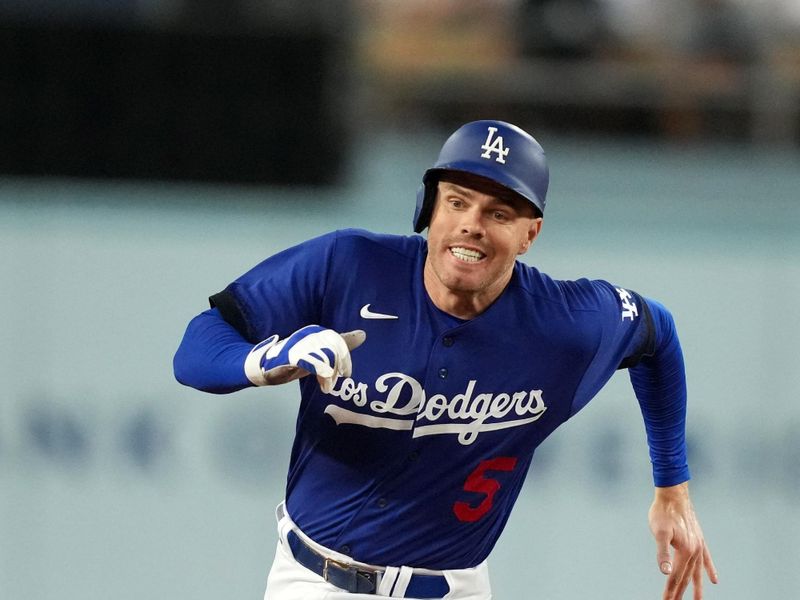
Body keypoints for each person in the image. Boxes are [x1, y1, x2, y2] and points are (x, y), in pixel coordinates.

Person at [173, 120, 718, 600]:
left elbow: (657, 335)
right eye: (457, 201)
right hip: (315, 581)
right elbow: (198, 346)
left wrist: (673, 488)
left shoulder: (567, 320)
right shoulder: (348, 264)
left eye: (498, 212)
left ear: (530, 234)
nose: (471, 225)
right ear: (427, 208)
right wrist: (268, 358)